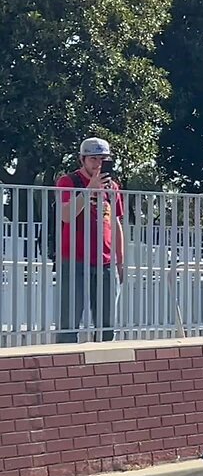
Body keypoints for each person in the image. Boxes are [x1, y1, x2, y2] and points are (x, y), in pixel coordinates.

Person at [55, 138, 127, 342]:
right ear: (82, 159)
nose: (97, 164)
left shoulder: (112, 187)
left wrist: (120, 261)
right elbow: (66, 216)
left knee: (107, 324)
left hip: (104, 262)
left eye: (103, 159)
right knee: (69, 322)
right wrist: (90, 190)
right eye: (93, 159)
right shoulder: (68, 181)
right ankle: (64, 364)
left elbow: (116, 223)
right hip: (74, 260)